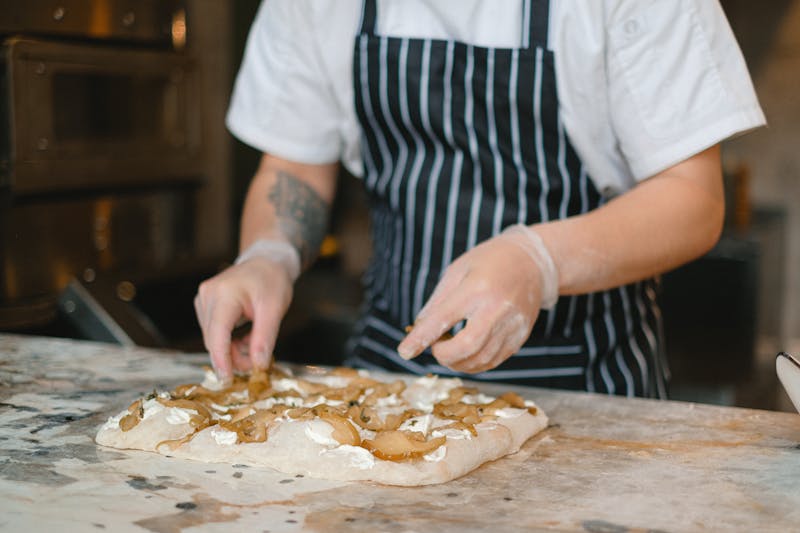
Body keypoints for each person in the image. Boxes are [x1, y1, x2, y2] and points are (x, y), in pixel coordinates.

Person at [194, 0, 765, 398]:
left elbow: (693, 198)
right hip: (387, 380)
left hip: (588, 386)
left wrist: (539, 260)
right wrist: (269, 257)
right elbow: (294, 163)